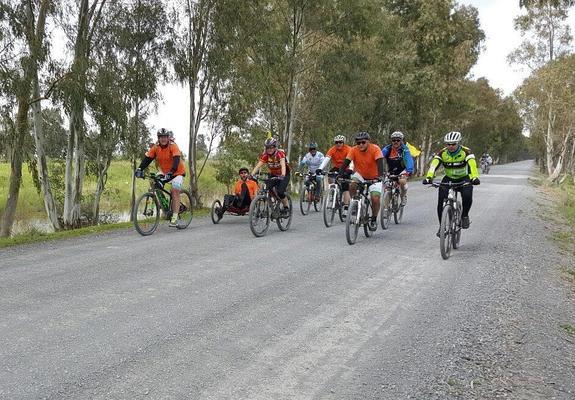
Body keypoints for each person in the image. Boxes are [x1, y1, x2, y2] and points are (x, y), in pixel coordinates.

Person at [422, 131, 480, 236]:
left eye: (453, 144)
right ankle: (442, 227)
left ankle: (465, 215)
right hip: (448, 178)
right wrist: (429, 177)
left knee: (467, 195)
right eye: (448, 144)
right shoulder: (442, 153)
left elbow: (472, 166)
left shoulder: (466, 152)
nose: (451, 146)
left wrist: (474, 177)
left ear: (458, 143)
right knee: (440, 202)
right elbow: (434, 165)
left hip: (464, 178)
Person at [135, 128, 186, 227]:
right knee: (155, 183)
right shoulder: (156, 147)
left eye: (165, 137)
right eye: (161, 137)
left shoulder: (173, 146)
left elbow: (176, 161)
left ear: (168, 138)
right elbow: (147, 159)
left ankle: (174, 217)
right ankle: (164, 206)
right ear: (158, 138)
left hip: (177, 172)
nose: (163, 139)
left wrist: (171, 172)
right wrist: (140, 169)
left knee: (175, 190)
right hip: (164, 172)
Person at [339, 131, 384, 231]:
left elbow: (380, 164)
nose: (360, 145)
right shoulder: (354, 150)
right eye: (358, 143)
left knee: (375, 198)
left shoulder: (375, 149)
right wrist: (340, 175)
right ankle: (354, 203)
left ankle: (373, 218)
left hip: (375, 177)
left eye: (363, 142)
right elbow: (345, 163)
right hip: (360, 175)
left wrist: (380, 176)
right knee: (352, 184)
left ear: (368, 141)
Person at [251, 137, 291, 216]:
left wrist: (282, 175)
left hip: (284, 174)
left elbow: (283, 165)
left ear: (275, 147)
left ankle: (286, 207)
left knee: (280, 192)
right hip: (273, 174)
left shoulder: (280, 154)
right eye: (267, 148)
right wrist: (251, 175)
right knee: (267, 187)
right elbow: (258, 166)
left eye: (271, 147)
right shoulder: (265, 155)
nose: (269, 149)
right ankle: (273, 200)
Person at [316, 134, 353, 207]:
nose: (338, 144)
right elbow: (326, 159)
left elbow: (352, 160)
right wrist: (320, 168)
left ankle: (346, 206)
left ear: (343, 143)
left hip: (346, 168)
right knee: (330, 176)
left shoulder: (348, 149)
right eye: (336, 142)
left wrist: (350, 169)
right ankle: (333, 192)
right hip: (336, 167)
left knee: (345, 187)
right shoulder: (332, 149)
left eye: (340, 142)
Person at [381, 131, 414, 206]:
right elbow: (379, 158)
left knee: (402, 181)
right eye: (393, 140)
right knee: (387, 187)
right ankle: (386, 209)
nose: (396, 142)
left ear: (401, 141)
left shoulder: (405, 150)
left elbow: (409, 160)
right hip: (391, 171)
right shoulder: (387, 149)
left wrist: (408, 171)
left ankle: (403, 196)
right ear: (391, 141)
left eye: (398, 140)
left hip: (402, 171)